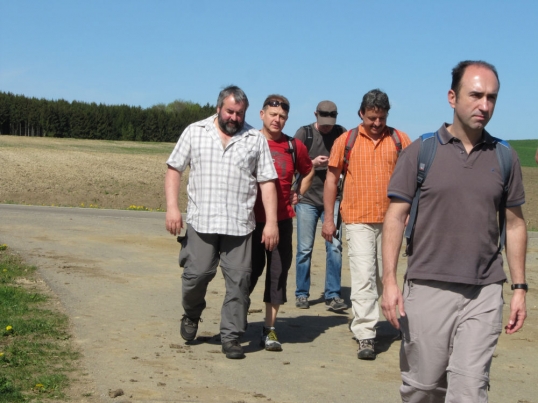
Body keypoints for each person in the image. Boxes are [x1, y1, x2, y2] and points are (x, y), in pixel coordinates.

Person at [382, 60, 527, 401]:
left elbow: (515, 224)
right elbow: (394, 218)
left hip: (484, 291)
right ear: (452, 97)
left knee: (470, 389)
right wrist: (389, 281)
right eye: (476, 95)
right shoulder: (421, 151)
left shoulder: (505, 157)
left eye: (491, 97)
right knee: (424, 388)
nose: (484, 105)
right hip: (428, 286)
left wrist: (520, 287)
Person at [164, 85, 279, 360]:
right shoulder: (195, 132)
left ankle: (231, 336)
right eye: (229, 111)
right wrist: (172, 208)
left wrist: (271, 222)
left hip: (239, 225)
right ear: (218, 108)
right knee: (196, 276)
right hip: (201, 222)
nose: (234, 118)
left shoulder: (255, 139)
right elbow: (174, 169)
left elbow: (267, 182)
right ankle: (191, 314)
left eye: (239, 113)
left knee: (239, 282)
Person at [322, 89, 411, 360]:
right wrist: (329, 219)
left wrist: (411, 212)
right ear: (361, 113)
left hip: (392, 221)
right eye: (372, 118)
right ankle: (365, 334)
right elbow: (331, 181)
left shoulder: (400, 140)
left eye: (381, 118)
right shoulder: (345, 141)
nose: (377, 123)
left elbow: (413, 182)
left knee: (387, 276)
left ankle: (393, 321)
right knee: (363, 277)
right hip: (357, 219)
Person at [249, 95, 314, 351]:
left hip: (282, 221)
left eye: (282, 117)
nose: (277, 120)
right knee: (247, 273)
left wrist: (299, 191)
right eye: (273, 115)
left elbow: (308, 170)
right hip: (250, 222)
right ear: (262, 114)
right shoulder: (248, 141)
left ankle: (269, 329)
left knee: (277, 275)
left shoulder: (294, 146)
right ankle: (236, 317)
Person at [294, 100, 347, 311]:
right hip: (307, 199)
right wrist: (313, 163)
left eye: (329, 123)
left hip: (333, 199)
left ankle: (333, 294)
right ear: (315, 115)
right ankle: (301, 294)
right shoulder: (304, 133)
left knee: (334, 247)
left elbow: (348, 163)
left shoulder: (341, 134)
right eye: (323, 123)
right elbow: (293, 163)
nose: (326, 127)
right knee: (304, 249)